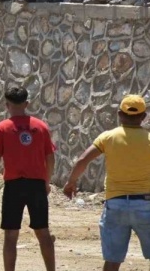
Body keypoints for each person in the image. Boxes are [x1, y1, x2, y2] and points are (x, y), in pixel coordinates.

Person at [64, 94, 150, 271]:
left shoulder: (108, 137)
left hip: (115, 204)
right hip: (146, 204)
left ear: (119, 114)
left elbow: (82, 160)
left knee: (112, 261)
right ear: (144, 116)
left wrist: (71, 182)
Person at [0, 86, 56, 271]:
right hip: (36, 185)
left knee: (10, 235)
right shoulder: (41, 127)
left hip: (13, 186)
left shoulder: (2, 128)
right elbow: (50, 158)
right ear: (27, 103)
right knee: (43, 232)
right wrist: (46, 183)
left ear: (7, 105)